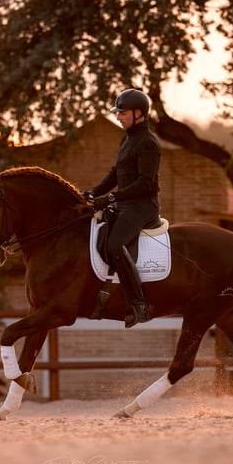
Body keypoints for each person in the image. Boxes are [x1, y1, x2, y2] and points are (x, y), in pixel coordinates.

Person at [83, 88, 161, 328]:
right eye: (118, 113)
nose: (118, 117)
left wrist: (112, 198)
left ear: (139, 113)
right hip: (125, 203)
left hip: (143, 206)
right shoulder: (126, 139)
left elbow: (144, 183)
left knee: (115, 245)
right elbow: (117, 173)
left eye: (123, 113)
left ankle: (139, 304)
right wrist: (94, 192)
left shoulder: (148, 143)